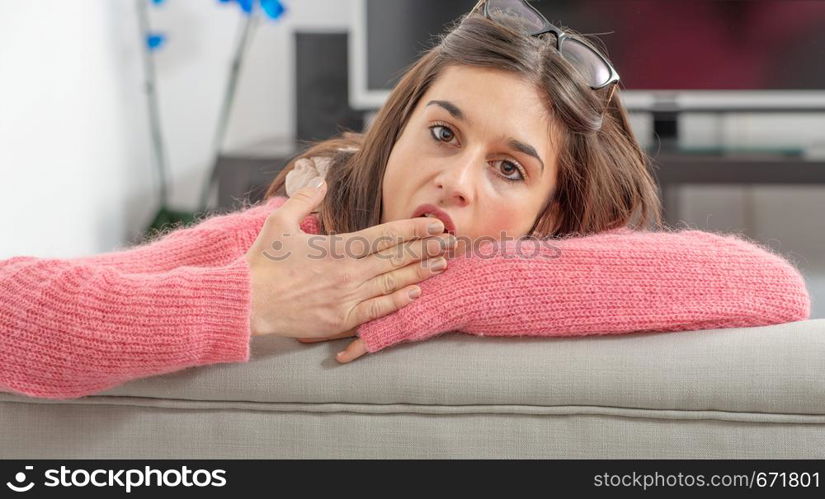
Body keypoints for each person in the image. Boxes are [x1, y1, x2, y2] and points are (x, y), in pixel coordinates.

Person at [0, 0, 810, 400]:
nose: (455, 181)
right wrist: (251, 298)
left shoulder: (563, 264)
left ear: (550, 218)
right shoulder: (302, 239)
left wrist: (461, 279)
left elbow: (771, 286)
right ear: (395, 133)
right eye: (445, 134)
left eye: (509, 169)